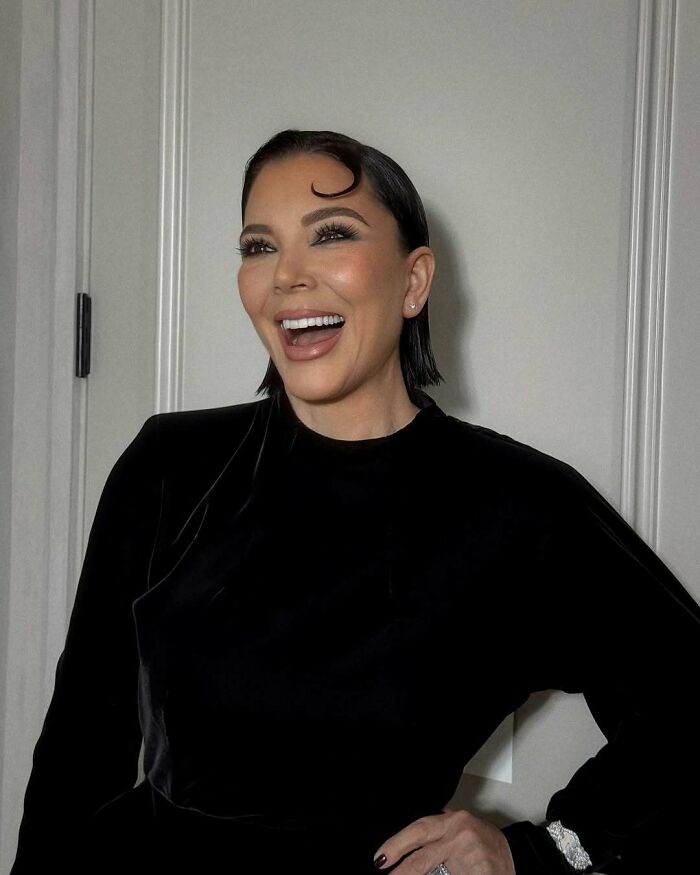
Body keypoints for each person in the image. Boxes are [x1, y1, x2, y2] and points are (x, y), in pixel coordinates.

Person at [10, 129, 700, 875]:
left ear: (413, 281)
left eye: (331, 234)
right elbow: (81, 740)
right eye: (259, 246)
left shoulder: (516, 506)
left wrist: (538, 853)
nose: (287, 277)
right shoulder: (169, 465)